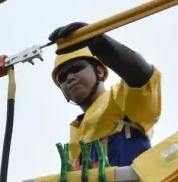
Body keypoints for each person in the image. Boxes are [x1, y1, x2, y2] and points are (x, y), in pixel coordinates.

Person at [47, 21, 162, 169]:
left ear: (100, 71)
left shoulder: (120, 101)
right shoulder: (76, 136)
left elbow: (141, 75)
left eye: (76, 68)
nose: (69, 78)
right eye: (61, 77)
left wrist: (98, 42)